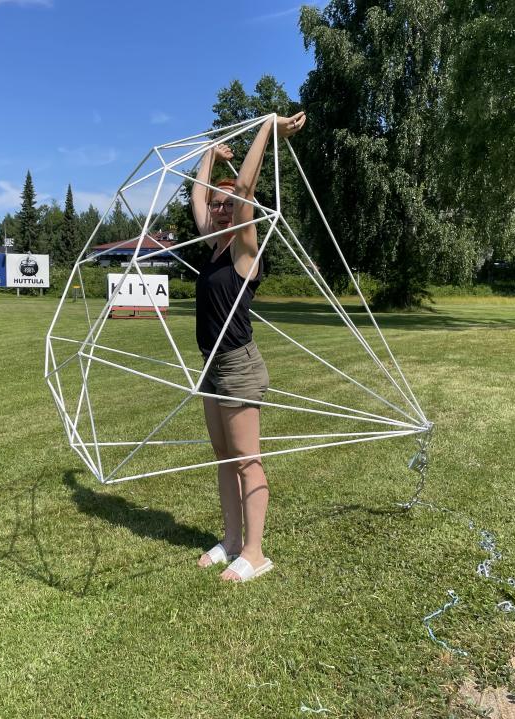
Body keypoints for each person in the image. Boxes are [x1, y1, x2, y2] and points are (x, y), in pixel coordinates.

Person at [191, 111, 306, 582]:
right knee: (224, 457)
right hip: (211, 365)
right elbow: (198, 194)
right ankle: (232, 539)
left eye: (225, 206)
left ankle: (256, 552)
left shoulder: (243, 250)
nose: (218, 209)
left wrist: (267, 128)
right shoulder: (212, 246)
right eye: (217, 206)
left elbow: (244, 193)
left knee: (247, 459)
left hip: (238, 365)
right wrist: (208, 155)